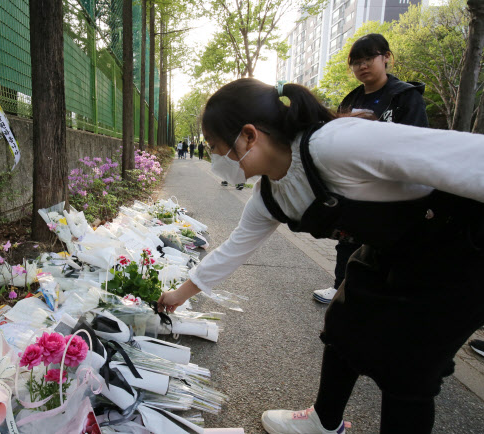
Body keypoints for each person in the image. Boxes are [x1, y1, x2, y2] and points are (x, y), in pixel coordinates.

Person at [157, 78, 484, 433]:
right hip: (392, 248)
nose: (215, 159)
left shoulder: (337, 143)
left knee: (409, 368)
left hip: (460, 249)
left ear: (249, 136)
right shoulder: (269, 197)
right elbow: (231, 251)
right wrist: (177, 296)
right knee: (345, 322)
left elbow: (471, 159)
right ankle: (324, 420)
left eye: (216, 147)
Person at [313, 33, 429, 305]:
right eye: (356, 62)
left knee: (388, 242)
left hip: (392, 185)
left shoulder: (404, 97)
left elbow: (416, 140)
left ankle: (385, 297)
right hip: (355, 183)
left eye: (369, 58)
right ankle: (340, 286)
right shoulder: (351, 99)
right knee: (348, 236)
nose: (362, 66)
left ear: (386, 57)